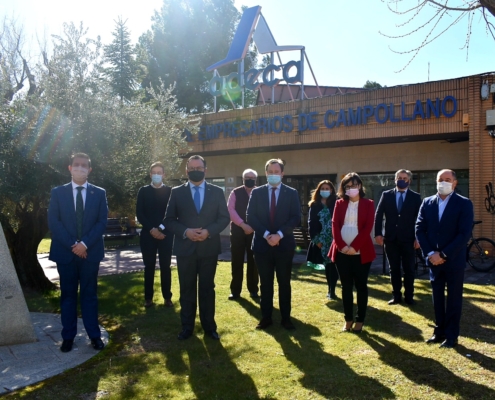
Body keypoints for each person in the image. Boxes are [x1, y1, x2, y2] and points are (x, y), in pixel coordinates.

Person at [163, 155, 229, 340]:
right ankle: (187, 328)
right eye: (191, 168)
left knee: (208, 289)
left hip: (209, 248)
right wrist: (185, 231)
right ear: (186, 171)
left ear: (205, 169)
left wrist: (209, 231)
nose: (195, 171)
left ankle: (210, 327)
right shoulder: (177, 192)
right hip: (185, 249)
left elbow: (224, 218)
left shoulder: (216, 191)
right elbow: (168, 220)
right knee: (187, 289)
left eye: (198, 167)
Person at [48, 153, 108, 352]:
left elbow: (101, 222)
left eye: (84, 166)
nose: (80, 168)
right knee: (68, 295)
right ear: (70, 167)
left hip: (90, 253)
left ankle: (94, 336)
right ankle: (68, 337)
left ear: (89, 170)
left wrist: (85, 245)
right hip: (65, 253)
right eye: (77, 165)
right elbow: (54, 222)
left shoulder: (99, 193)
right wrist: (75, 245)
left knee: (90, 295)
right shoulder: (58, 193)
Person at [416, 169, 473, 348]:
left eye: (447, 179)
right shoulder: (427, 202)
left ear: (455, 183)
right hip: (434, 260)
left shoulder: (464, 204)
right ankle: (439, 331)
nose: (444, 182)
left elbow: (464, 234)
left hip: (453, 260)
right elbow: (419, 228)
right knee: (437, 297)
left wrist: (444, 254)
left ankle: (451, 335)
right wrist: (430, 253)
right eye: (440, 179)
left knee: (454, 298)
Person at [246, 158, 301, 330]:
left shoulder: (291, 193)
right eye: (270, 172)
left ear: (282, 174)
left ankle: (286, 318)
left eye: (277, 172)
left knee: (284, 283)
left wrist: (278, 235)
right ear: (266, 173)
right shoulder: (257, 192)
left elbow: (296, 218)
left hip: (284, 246)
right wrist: (267, 235)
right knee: (265, 283)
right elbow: (251, 217)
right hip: (262, 246)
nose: (273, 175)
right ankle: (266, 318)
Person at [328, 172, 375, 333]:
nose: (351, 189)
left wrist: (354, 246)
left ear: (360, 186)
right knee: (346, 287)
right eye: (347, 186)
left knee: (361, 286)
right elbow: (334, 225)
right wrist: (342, 246)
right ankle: (348, 320)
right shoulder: (339, 204)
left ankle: (360, 320)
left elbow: (367, 227)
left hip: (361, 252)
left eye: (354, 185)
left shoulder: (369, 204)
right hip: (341, 252)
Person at [374, 169, 422, 305]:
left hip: (409, 240)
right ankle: (396, 296)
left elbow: (420, 219)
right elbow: (378, 215)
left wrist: (418, 238)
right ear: (395, 180)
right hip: (390, 239)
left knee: (409, 269)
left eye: (405, 178)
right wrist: (378, 233)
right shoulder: (386, 195)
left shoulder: (415, 197)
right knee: (394, 269)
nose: (402, 180)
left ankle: (409, 296)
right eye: (399, 177)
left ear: (409, 181)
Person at [136, 162, 174, 308]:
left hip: (165, 235)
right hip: (147, 235)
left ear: (164, 174)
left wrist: (160, 229)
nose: (156, 175)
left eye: (159, 172)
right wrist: (152, 229)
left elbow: (172, 214)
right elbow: (140, 213)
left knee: (166, 266)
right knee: (149, 267)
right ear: (150, 174)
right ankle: (148, 298)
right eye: (154, 172)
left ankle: (167, 298)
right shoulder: (143, 191)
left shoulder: (171, 191)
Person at [227, 169, 259, 300]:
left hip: (255, 232)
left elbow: (263, 211)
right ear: (243, 179)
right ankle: (235, 291)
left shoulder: (260, 192)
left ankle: (253, 290)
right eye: (247, 177)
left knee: (254, 262)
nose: (249, 179)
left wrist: (253, 226)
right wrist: (242, 224)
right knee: (237, 261)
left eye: (252, 177)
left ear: (255, 180)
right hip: (237, 231)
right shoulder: (235, 192)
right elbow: (230, 210)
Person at [306, 180, 339, 300]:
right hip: (322, 240)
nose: (325, 190)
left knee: (334, 265)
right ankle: (330, 289)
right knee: (327, 265)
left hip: (335, 239)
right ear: (319, 190)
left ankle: (333, 289)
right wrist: (316, 240)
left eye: (328, 188)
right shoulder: (314, 205)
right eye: (323, 188)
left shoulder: (336, 203)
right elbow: (311, 223)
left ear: (332, 190)